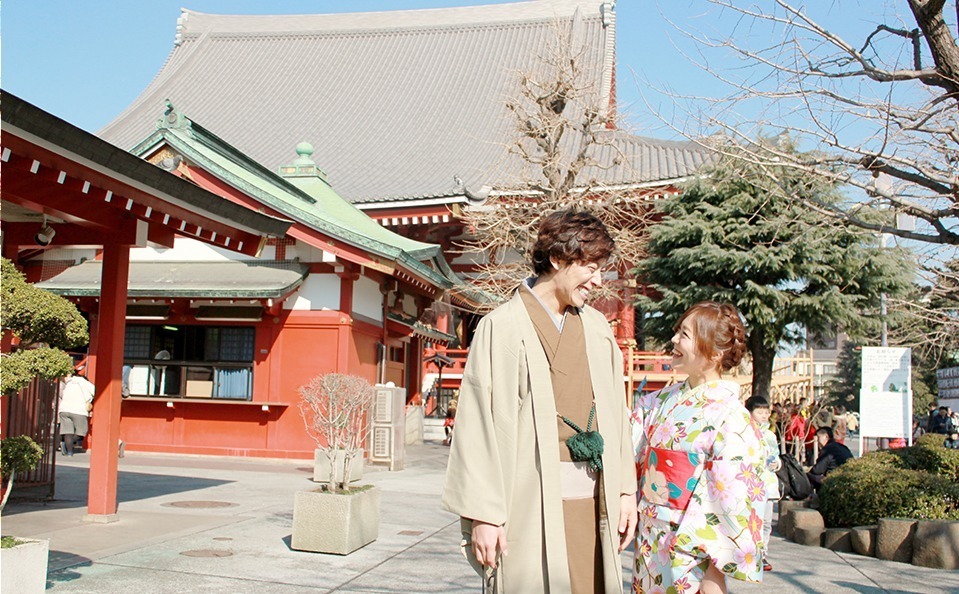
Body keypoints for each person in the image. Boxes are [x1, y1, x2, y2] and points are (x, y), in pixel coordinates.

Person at [442, 210, 637, 593]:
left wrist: (626, 491)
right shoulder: (502, 327)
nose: (598, 281)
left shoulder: (597, 328)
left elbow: (617, 416)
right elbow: (478, 425)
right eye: (591, 267)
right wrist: (483, 515)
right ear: (558, 259)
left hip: (595, 498)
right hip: (529, 499)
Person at [631, 302, 765, 594]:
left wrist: (716, 572)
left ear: (715, 354)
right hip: (650, 540)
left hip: (691, 552)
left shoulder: (731, 415)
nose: (674, 340)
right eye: (678, 331)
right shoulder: (659, 401)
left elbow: (733, 497)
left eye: (685, 335)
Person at [745, 396, 780, 573]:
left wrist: (777, 464)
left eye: (766, 412)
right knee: (752, 520)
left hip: (769, 483)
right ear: (750, 413)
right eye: (759, 412)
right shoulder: (745, 433)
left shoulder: (770, 435)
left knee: (766, 521)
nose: (764, 415)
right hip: (751, 484)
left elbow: (776, 455)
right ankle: (750, 553)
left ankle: (763, 553)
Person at [58, 367, 95, 456]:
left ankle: (69, 452)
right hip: (78, 410)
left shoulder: (69, 383)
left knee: (68, 432)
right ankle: (67, 446)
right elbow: (96, 392)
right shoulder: (86, 384)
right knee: (81, 433)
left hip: (64, 409)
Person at [806, 426, 853, 491]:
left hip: (834, 479)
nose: (817, 441)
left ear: (826, 436)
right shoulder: (842, 447)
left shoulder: (828, 449)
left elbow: (817, 470)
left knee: (810, 476)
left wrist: (807, 471)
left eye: (818, 438)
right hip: (846, 477)